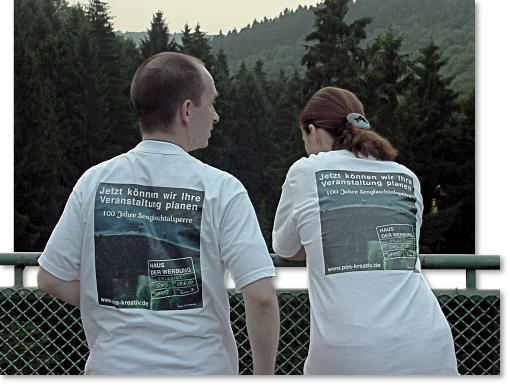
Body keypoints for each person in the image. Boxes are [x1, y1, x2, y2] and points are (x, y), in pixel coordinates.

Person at [37, 52, 279, 375]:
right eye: (212, 103)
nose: (217, 116)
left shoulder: (94, 182)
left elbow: (50, 277)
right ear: (188, 110)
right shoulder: (222, 189)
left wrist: (127, 303)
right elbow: (261, 295)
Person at [272, 87, 458, 375]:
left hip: (348, 352)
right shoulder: (405, 176)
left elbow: (284, 248)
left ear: (312, 131)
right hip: (429, 345)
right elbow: (401, 252)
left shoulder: (305, 171)